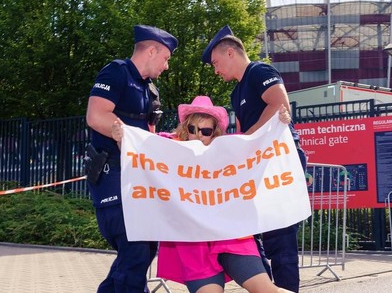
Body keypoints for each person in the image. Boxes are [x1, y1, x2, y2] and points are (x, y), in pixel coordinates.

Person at [112, 96, 292, 293]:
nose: (197, 135)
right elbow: (139, 156)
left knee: (266, 290)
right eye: (192, 129)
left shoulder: (227, 148)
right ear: (185, 127)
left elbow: (259, 148)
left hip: (230, 235)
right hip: (192, 242)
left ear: (214, 132)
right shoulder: (167, 145)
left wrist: (278, 123)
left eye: (205, 131)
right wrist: (123, 139)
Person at [202, 25, 307, 293]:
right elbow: (243, 133)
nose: (216, 70)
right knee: (252, 230)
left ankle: (285, 289)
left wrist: (247, 138)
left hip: (277, 162)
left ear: (230, 52)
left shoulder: (259, 71)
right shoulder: (236, 92)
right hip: (259, 164)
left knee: (280, 236)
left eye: (216, 63)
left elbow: (280, 103)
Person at [86, 24, 178, 292]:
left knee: (144, 250)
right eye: (165, 59)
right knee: (135, 252)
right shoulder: (116, 72)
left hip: (138, 182)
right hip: (113, 177)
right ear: (151, 50)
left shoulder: (151, 90)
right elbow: (96, 115)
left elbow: (147, 136)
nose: (166, 66)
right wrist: (124, 134)